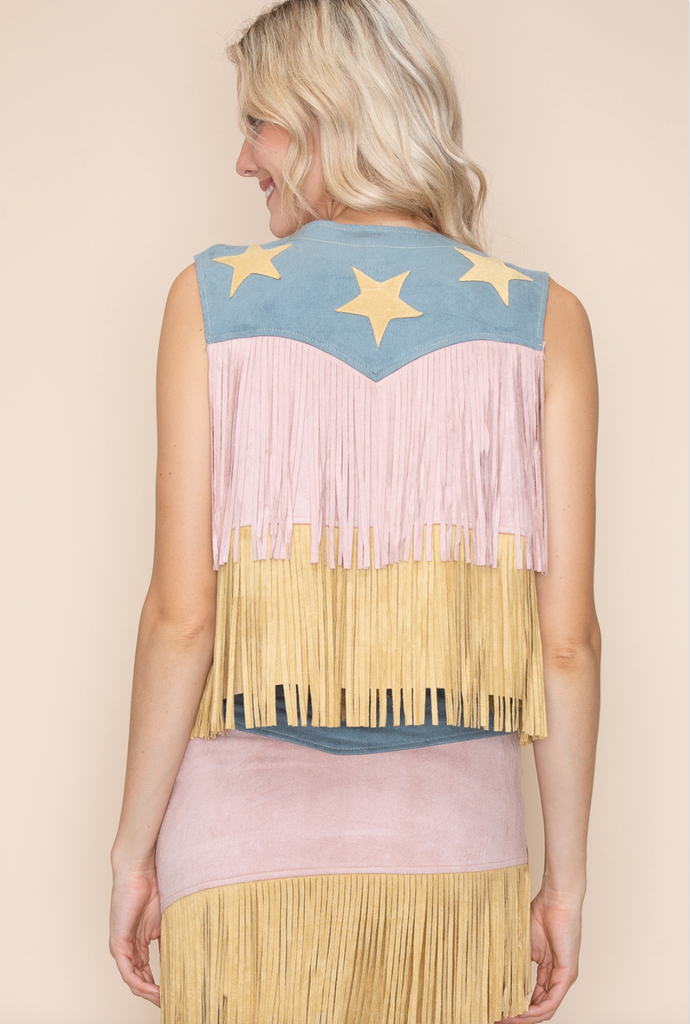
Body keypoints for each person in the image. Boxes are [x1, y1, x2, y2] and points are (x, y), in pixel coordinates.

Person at [109, 1, 600, 1021]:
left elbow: (182, 619)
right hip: (454, 853)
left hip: (237, 857)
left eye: (257, 124)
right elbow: (565, 647)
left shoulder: (210, 299)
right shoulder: (545, 320)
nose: (243, 159)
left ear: (326, 116)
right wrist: (563, 883)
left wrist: (132, 851)